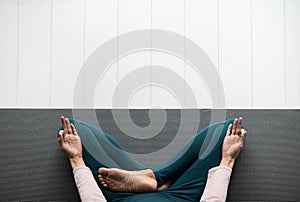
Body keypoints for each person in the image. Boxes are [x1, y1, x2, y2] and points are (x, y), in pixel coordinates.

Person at [58, 116, 247, 202]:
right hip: (179, 196)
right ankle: (157, 179)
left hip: (119, 196)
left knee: (74, 130)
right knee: (227, 130)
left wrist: (77, 159)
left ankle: (155, 179)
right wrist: (227, 160)